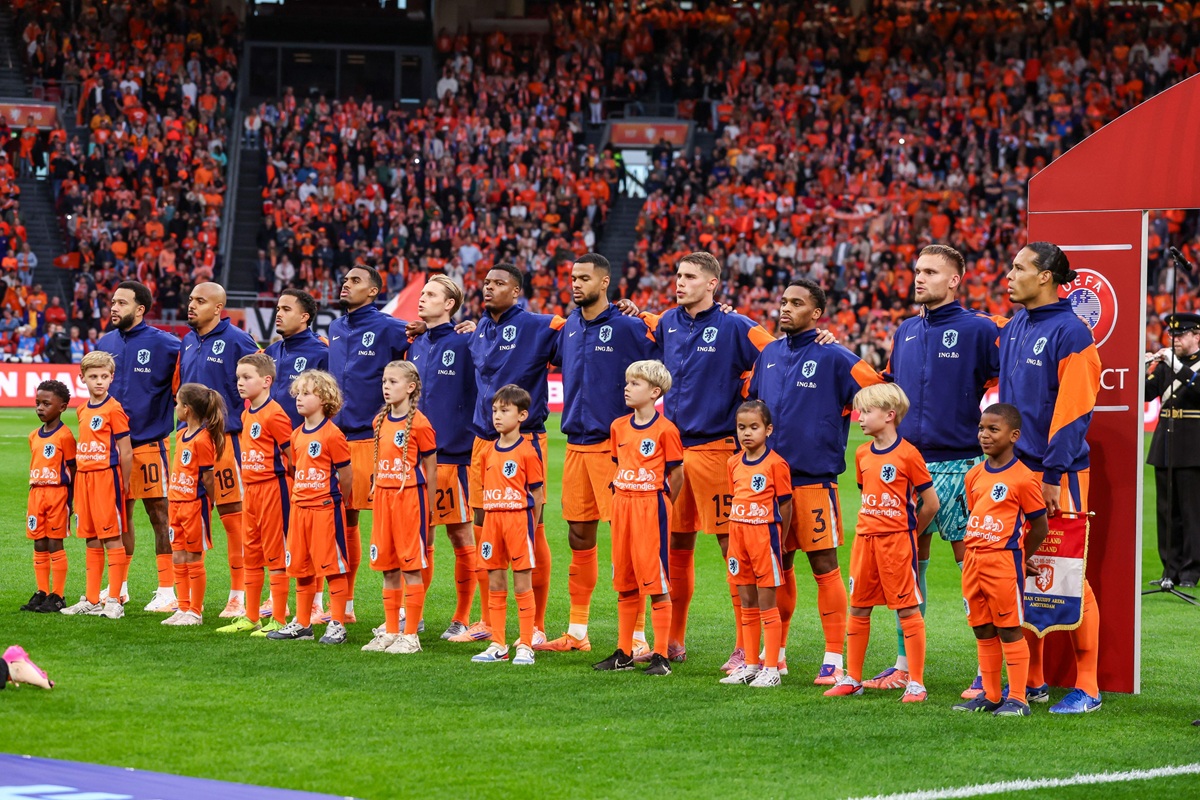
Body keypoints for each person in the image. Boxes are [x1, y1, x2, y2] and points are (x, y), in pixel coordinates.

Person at [874, 244, 1000, 694]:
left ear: (954, 280)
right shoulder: (905, 330)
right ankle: (904, 664)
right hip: (908, 466)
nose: (919, 278)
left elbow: (1014, 379)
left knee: (978, 569)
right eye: (916, 270)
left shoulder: (981, 329)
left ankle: (989, 670)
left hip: (963, 465)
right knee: (908, 569)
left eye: (930, 271)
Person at [639, 251, 775, 668]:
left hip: (718, 450)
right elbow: (638, 339)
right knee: (676, 543)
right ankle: (674, 640)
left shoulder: (735, 325)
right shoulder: (666, 323)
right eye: (678, 275)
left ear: (712, 284)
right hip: (674, 451)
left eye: (690, 277)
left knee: (732, 545)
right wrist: (632, 310)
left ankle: (744, 643)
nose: (680, 283)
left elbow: (778, 353)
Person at [748, 279, 883, 683]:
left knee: (824, 566)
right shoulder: (768, 353)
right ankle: (778, 653)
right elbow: (753, 404)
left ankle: (833, 658)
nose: (785, 308)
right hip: (769, 482)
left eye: (796, 303)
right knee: (779, 568)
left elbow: (881, 390)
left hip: (814, 480)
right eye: (783, 301)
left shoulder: (836, 356)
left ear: (817, 313)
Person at [1000, 242, 1102, 714]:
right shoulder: (1018, 324)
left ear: (1045, 277)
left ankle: (1088, 686)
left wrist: (1053, 474)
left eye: (1019, 267)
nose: (1009, 274)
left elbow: (1074, 411)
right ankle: (1033, 680)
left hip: (1056, 473)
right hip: (1016, 469)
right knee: (1021, 575)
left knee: (1067, 575)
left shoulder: (1072, 333)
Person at [542, 253, 657, 655]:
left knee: (630, 541)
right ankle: (577, 631)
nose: (575, 284)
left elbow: (663, 359)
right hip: (575, 444)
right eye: (573, 277)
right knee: (578, 534)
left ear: (604, 282)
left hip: (616, 448)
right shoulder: (569, 326)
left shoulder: (628, 327)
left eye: (584, 278)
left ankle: (639, 636)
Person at [460, 264, 564, 645]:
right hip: (482, 441)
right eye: (486, 283)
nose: (489, 288)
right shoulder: (480, 328)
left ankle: (534, 627)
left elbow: (576, 336)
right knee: (485, 529)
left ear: (517, 291)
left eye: (499, 283)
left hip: (523, 441)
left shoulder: (540, 325)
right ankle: (490, 620)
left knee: (531, 531)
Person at [825, 383, 938, 703]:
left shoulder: (908, 454)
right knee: (859, 607)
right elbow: (867, 494)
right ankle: (854, 679)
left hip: (897, 545)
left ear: (889, 415)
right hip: (865, 542)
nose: (860, 417)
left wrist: (909, 536)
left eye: (867, 411)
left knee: (907, 609)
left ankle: (916, 682)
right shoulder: (861, 453)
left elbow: (930, 503)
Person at [952, 403, 1049, 717]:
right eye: (982, 428)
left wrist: (1020, 557)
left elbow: (1040, 526)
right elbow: (975, 513)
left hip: (1003, 563)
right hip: (973, 561)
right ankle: (991, 696)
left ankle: (1018, 699)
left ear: (1014, 435)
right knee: (982, 628)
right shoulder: (974, 475)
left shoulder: (1023, 478)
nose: (984, 435)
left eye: (993, 429)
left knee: (1009, 628)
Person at [328, 265, 411, 624]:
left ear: (374, 291)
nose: (346, 284)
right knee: (342, 523)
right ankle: (343, 607)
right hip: (335, 440)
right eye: (345, 279)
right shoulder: (334, 327)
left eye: (355, 281)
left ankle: (404, 609)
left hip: (372, 438)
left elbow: (425, 350)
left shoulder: (391, 327)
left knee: (390, 526)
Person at [592, 360, 681, 677]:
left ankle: (661, 656)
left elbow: (677, 474)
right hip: (623, 505)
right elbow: (619, 463)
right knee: (625, 581)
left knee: (655, 581)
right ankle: (624, 652)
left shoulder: (666, 430)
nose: (627, 387)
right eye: (627, 382)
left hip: (650, 507)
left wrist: (662, 502)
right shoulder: (618, 427)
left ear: (655, 392)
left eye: (635, 383)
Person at [98, 281, 181, 612]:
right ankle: (119, 587)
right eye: (112, 302)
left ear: (140, 309)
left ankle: (167, 589)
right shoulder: (105, 342)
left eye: (121, 303)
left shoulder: (167, 344)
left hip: (148, 444)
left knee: (160, 515)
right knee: (119, 518)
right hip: (110, 447)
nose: (113, 308)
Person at [178, 282, 258, 618]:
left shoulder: (239, 340)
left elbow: (260, 381)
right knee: (188, 518)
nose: (192, 305)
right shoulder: (186, 340)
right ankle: (184, 598)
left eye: (200, 301)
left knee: (233, 521)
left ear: (218, 308)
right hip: (188, 442)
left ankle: (239, 594)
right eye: (191, 299)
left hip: (226, 441)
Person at [408, 275, 478, 639]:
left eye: (432, 294)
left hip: (454, 456)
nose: (423, 299)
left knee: (461, 535)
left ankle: (463, 617)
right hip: (416, 458)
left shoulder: (467, 341)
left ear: (450, 304)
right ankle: (414, 615)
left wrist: (480, 329)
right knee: (422, 538)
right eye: (422, 293)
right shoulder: (416, 344)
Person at [268, 371, 354, 644]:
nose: (299, 399)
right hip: (300, 509)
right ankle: (303, 624)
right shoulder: (295, 435)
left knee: (332, 568)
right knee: (301, 568)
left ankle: (337, 623)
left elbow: (347, 474)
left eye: (307, 393)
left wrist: (339, 499)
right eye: (298, 393)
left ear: (325, 398)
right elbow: (296, 467)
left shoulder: (333, 434)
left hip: (325, 509)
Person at [361, 361, 438, 654]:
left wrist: (430, 509)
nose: (386, 387)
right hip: (383, 498)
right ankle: (391, 631)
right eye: (384, 381)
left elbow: (431, 469)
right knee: (388, 567)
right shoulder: (379, 420)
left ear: (410, 387)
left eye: (393, 382)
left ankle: (410, 636)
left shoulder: (420, 423)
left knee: (411, 567)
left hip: (410, 501)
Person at [217, 353, 294, 636]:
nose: (240, 382)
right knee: (251, 553)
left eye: (246, 377)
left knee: (275, 554)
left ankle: (278, 619)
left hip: (273, 489)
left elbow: (292, 456)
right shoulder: (247, 412)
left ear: (266, 381)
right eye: (238, 377)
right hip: (250, 490)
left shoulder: (275, 414)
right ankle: (251, 617)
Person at [718, 400, 792, 688]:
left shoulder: (776, 464)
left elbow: (786, 505)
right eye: (741, 428)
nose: (746, 433)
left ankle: (771, 668)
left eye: (754, 427)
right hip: (738, 537)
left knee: (766, 602)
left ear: (768, 429)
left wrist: (781, 541)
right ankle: (750, 665)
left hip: (765, 539)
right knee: (746, 600)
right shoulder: (732, 463)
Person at [470, 385, 546, 666]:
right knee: (495, 581)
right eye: (494, 411)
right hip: (493, 522)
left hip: (518, 521)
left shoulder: (528, 452)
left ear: (522, 415)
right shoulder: (488, 451)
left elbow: (537, 494)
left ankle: (526, 644)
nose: (497, 416)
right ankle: (498, 644)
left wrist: (531, 526)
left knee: (522, 582)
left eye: (505, 410)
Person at [60, 352, 132, 620]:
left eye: (104, 377)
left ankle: (114, 599)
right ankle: (91, 599)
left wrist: (122, 483)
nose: (99, 381)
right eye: (93, 377)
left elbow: (126, 451)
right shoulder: (81, 409)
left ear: (112, 378)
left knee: (112, 537)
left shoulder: (114, 409)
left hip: (106, 478)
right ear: (82, 379)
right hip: (85, 480)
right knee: (90, 537)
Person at [160, 384, 224, 627]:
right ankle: (183, 607)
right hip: (176, 503)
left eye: (177, 403)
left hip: (195, 505)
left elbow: (208, 477)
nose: (175, 407)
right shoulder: (181, 434)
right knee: (178, 555)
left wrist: (211, 501)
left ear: (186, 409)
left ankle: (195, 611)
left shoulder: (204, 439)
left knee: (194, 556)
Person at [1145, 312, 1200, 588]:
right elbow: (1146, 393)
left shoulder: (1184, 364)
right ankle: (1170, 570)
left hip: (1193, 444)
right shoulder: (1166, 364)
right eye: (1172, 335)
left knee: (1192, 511)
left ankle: (1190, 571)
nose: (1174, 339)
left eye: (1180, 335)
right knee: (1167, 512)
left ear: (1196, 336)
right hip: (1165, 441)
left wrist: (1175, 365)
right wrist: (1143, 366)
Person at [22, 380, 75, 614]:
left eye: (46, 404)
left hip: (57, 494)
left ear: (62, 407)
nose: (40, 408)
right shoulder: (34, 436)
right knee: (39, 542)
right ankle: (42, 591)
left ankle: (58, 595)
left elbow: (73, 470)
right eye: (37, 403)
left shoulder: (65, 436)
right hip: (36, 493)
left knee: (55, 543)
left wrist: (71, 501)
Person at [263, 289, 328, 430]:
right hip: (267, 440)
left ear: (304, 317)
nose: (279, 314)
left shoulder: (321, 353)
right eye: (278, 309)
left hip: (300, 442)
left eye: (286, 309)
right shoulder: (271, 350)